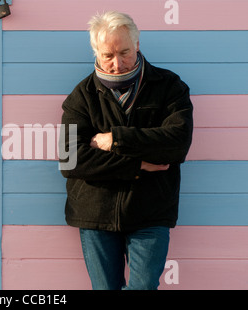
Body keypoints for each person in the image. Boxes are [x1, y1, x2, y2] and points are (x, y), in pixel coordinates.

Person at [59, 11, 193, 290]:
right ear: (95, 50)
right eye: (108, 55)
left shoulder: (169, 87)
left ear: (138, 44)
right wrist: (137, 165)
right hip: (95, 213)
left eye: (125, 52)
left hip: (150, 211)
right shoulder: (80, 97)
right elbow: (71, 161)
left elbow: (177, 142)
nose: (117, 64)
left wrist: (115, 139)